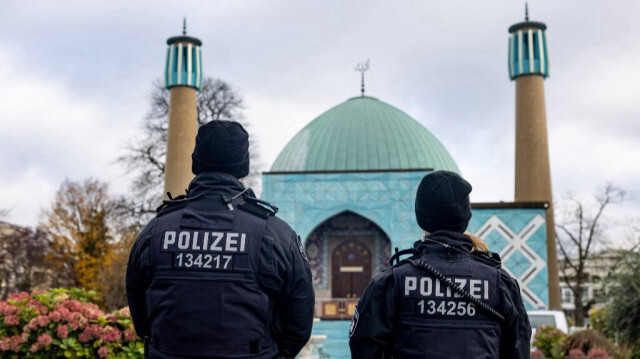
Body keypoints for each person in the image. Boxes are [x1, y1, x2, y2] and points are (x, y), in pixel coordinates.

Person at [126, 120, 315, 359]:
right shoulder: (274, 234)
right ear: (242, 168)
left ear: (196, 162)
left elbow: (142, 321)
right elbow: (299, 324)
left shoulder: (155, 231)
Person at [349, 170, 531, 358]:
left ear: (421, 217)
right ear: (465, 218)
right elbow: (519, 348)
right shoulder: (500, 283)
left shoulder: (390, 283)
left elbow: (365, 349)